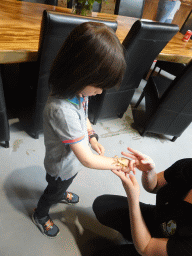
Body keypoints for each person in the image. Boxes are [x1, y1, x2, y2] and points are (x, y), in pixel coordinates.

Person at [32, 22, 128, 238]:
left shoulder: (78, 93)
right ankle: (40, 214)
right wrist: (122, 163)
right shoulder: (61, 110)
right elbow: (88, 160)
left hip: (70, 164)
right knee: (53, 191)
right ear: (79, 73)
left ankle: (60, 192)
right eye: (98, 85)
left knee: (65, 182)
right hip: (61, 168)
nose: (100, 91)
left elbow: (84, 118)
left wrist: (92, 137)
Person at [93, 147, 192, 256]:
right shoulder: (188, 167)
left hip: (162, 247)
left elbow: (146, 249)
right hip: (159, 218)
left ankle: (137, 240)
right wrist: (148, 171)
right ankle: (136, 236)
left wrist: (133, 198)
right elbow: (154, 186)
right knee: (103, 205)